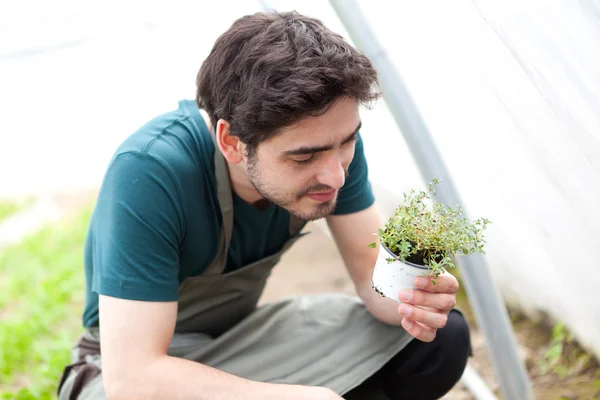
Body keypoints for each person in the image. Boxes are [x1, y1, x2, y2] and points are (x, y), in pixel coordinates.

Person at [57, 10, 471, 400]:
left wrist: (412, 302)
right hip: (124, 374)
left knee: (438, 341)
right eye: (303, 158)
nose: (335, 176)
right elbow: (134, 377)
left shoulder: (331, 149)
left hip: (239, 340)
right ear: (232, 143)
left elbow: (370, 279)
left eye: (347, 141)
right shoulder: (151, 170)